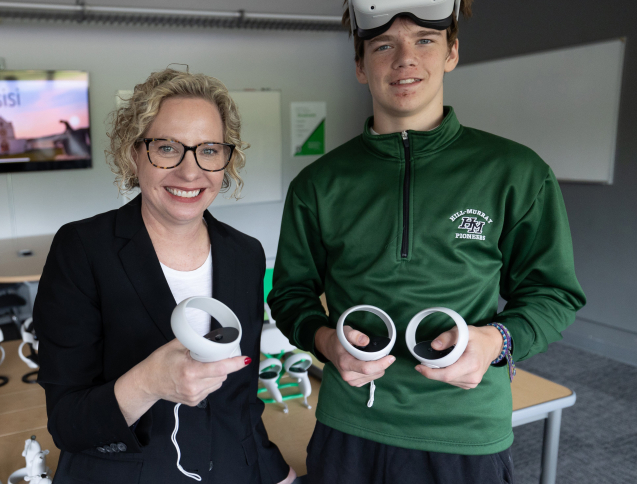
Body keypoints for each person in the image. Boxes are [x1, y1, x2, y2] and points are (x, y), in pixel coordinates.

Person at [267, 1, 586, 482]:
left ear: (452, 51)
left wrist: (496, 340)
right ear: (360, 65)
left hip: (466, 428)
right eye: (383, 45)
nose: (404, 60)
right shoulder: (319, 184)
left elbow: (553, 293)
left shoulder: (516, 172)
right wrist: (327, 342)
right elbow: (291, 295)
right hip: (350, 424)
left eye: (424, 40)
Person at [34, 68, 295, 484]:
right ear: (134, 152)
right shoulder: (82, 249)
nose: (190, 172)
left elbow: (240, 403)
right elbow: (67, 423)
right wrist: (148, 383)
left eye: (209, 150)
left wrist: (273, 470)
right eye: (168, 147)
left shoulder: (245, 254)